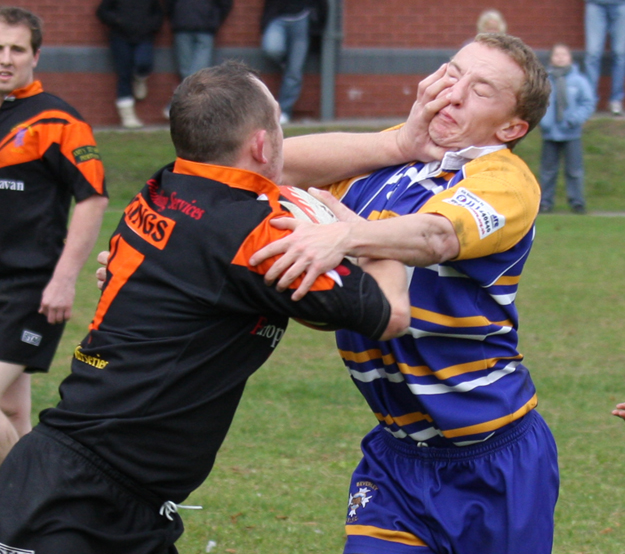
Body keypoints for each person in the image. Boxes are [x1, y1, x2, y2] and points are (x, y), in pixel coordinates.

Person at [0, 60, 410, 553]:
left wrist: (401, 146)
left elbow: (270, 172)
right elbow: (391, 311)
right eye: (278, 123)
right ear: (261, 144)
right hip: (76, 507)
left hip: (101, 490)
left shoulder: (164, 187)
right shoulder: (253, 238)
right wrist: (361, 232)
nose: (285, 137)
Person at [249, 33, 560, 554]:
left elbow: (435, 235)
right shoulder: (395, 160)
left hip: (494, 457)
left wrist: (347, 233)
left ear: (511, 127)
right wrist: (395, 144)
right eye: (452, 72)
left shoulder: (506, 180)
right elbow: (262, 165)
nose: (453, 93)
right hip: (397, 459)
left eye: (480, 90)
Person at [0, 7, 108, 466]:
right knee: (10, 409)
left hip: (29, 291)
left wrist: (64, 280)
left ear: (35, 56)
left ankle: (13, 516)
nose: (5, 58)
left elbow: (94, 198)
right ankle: (36, 518)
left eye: (16, 49)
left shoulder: (58, 121)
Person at [96, 0, 164, 129]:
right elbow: (103, 11)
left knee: (144, 63)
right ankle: (127, 116)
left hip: (145, 36)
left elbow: (157, 11)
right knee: (124, 74)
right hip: (120, 37)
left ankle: (139, 78)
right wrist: (118, 21)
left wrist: (152, 25)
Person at [260, 0, 328, 124]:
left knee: (294, 71)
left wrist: (320, 26)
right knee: (272, 49)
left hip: (303, 21)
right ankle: (285, 61)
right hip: (277, 17)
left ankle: (284, 111)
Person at [539, 43, 594, 214]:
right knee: (548, 171)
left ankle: (577, 202)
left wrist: (575, 119)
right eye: (557, 55)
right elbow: (538, 103)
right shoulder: (545, 80)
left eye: (564, 54)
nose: (560, 58)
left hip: (571, 133)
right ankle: (545, 202)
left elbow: (588, 102)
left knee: (574, 170)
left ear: (570, 57)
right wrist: (543, 122)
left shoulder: (579, 81)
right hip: (550, 134)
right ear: (551, 58)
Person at [163, 0, 233, 82]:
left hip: (205, 30)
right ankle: (190, 97)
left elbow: (225, 1)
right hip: (182, 29)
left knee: (199, 73)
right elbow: (168, 0)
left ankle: (189, 97)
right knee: (187, 71)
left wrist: (214, 20)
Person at [575, 0, 625, 114]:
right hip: (595, 3)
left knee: (620, 54)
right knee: (593, 54)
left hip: (622, 2)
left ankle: (615, 100)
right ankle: (590, 102)